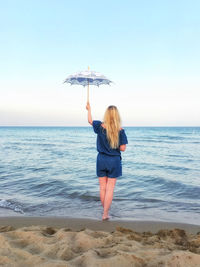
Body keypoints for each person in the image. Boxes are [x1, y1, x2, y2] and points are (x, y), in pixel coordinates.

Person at [86, 102, 128, 220]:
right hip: (113, 161)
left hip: (101, 159)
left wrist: (89, 109)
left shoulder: (100, 126)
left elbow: (90, 121)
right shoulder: (120, 130)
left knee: (102, 187)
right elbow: (123, 148)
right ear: (116, 116)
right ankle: (105, 214)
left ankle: (104, 212)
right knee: (110, 189)